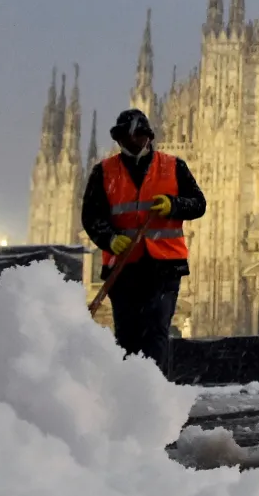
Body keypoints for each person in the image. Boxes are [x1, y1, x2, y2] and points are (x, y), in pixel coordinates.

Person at [81, 109, 206, 368]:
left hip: (164, 268)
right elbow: (91, 216)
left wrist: (174, 205)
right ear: (118, 140)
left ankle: (155, 387)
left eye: (137, 136)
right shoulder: (104, 171)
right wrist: (109, 238)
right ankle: (131, 388)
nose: (132, 142)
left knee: (156, 333)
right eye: (125, 138)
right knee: (127, 337)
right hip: (123, 268)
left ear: (148, 137)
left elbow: (198, 204)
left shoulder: (173, 166)